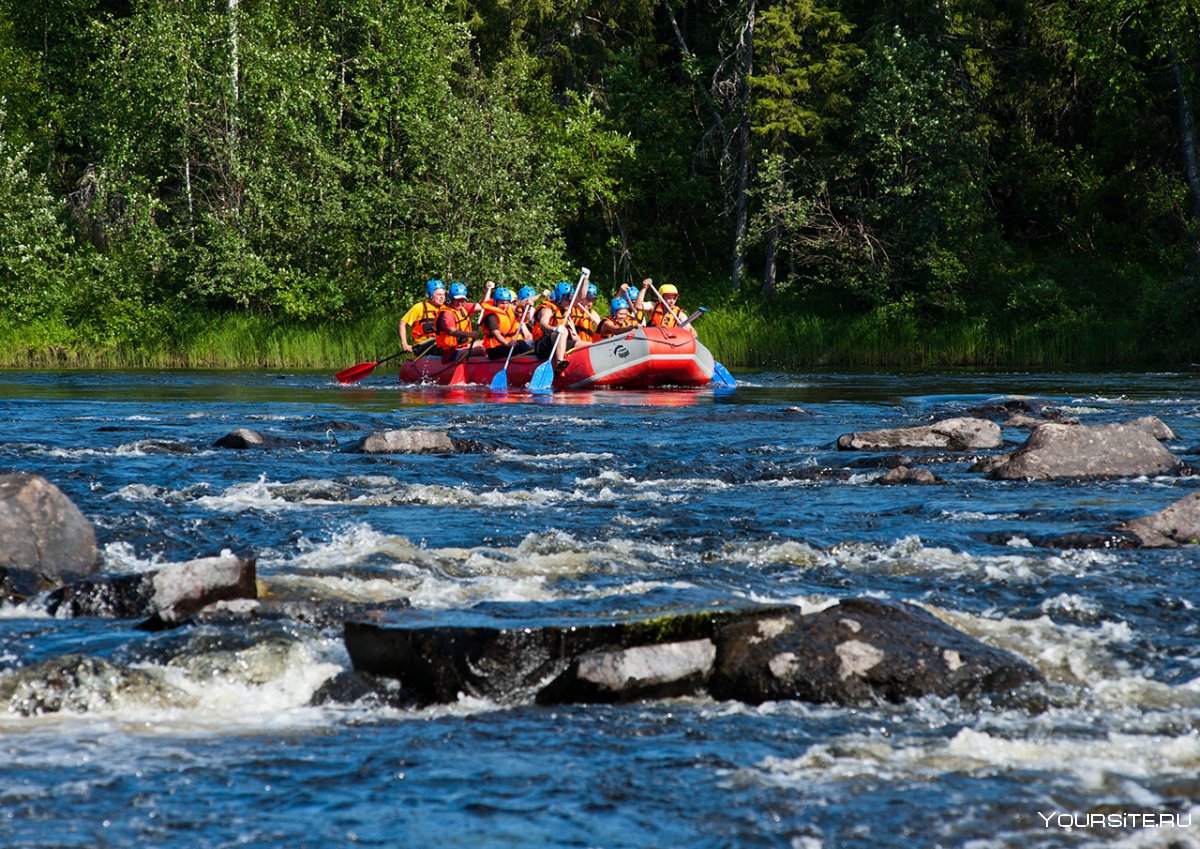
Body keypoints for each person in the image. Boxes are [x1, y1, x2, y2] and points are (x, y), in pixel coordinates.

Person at [435, 281, 492, 362]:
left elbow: (482, 306)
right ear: (452, 298)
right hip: (451, 352)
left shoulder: (463, 307)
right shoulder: (446, 313)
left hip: (464, 346)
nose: (460, 303)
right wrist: (469, 334)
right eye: (457, 300)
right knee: (480, 350)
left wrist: (488, 289)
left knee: (485, 343)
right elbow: (452, 331)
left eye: (462, 300)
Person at [532, 281, 580, 370]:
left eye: (571, 299)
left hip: (559, 341)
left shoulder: (566, 312)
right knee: (563, 332)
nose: (569, 301)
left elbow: (574, 336)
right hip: (542, 345)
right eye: (567, 299)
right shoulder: (547, 309)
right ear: (559, 298)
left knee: (584, 344)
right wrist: (556, 329)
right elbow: (543, 325)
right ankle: (559, 363)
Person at [479, 286, 534, 360]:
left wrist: (528, 307)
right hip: (494, 349)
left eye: (507, 303)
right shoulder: (491, 316)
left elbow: (522, 316)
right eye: (502, 303)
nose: (505, 306)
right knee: (521, 345)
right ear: (496, 302)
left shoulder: (509, 311)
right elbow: (495, 333)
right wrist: (507, 343)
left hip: (507, 345)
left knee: (524, 343)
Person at [398, 279, 446, 354]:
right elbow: (402, 323)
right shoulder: (419, 307)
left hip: (441, 345)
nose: (442, 297)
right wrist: (404, 344)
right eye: (439, 295)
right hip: (424, 346)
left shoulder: (446, 309)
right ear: (431, 295)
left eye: (443, 294)